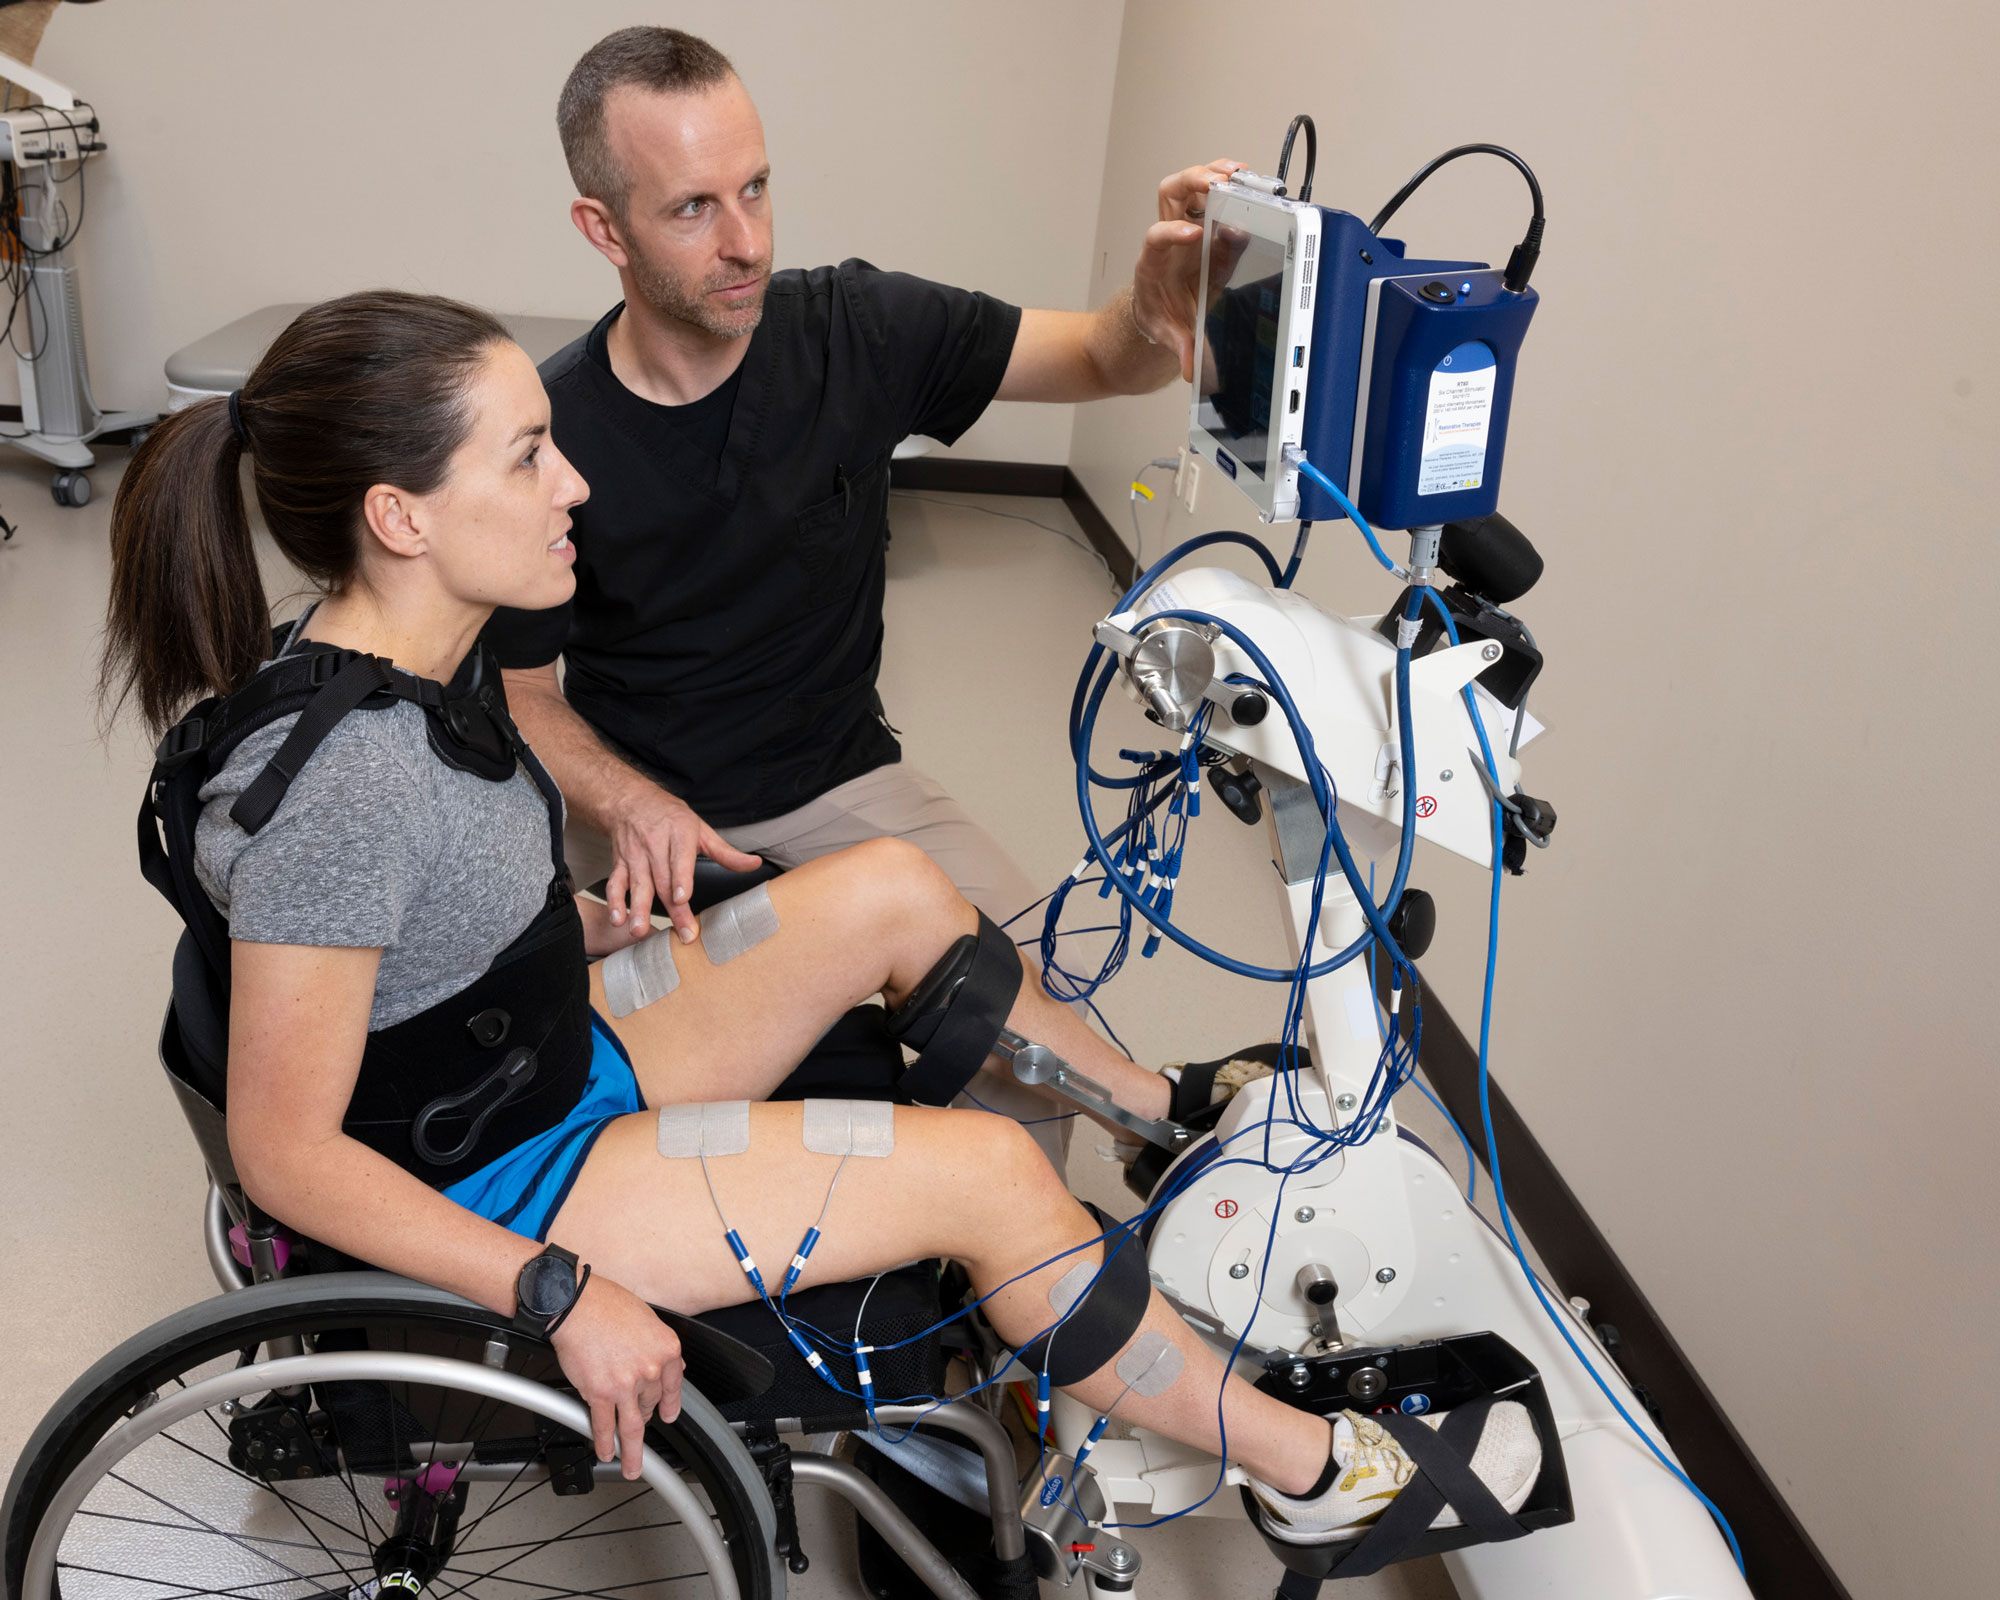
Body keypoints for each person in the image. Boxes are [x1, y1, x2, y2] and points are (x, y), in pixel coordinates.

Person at [100, 291, 1540, 1544]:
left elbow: (416, 926)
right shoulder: (346, 788)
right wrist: (554, 1292)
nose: (574, 486)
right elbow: (286, 1154)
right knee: (988, 1180)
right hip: (518, 1179)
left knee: (899, 894)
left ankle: (1162, 1109)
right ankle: (1319, 1472)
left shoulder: (412, 651)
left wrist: (567, 928)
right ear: (399, 516)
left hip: (537, 1051)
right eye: (530, 454)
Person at [483, 27, 1237, 982]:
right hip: (634, 813)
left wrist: (1149, 311)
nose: (746, 241)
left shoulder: (859, 331)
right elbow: (520, 691)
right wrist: (628, 805)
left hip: (839, 785)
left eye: (755, 187)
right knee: (579, 1075)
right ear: (605, 229)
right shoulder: (552, 439)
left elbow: (1097, 356)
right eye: (692, 209)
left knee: (1041, 1006)